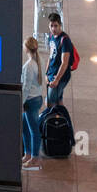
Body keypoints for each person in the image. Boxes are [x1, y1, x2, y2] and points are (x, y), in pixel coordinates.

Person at [21, 36, 44, 171]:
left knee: (34, 130)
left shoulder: (29, 65)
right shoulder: (39, 60)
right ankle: (28, 153)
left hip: (30, 101)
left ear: (27, 48)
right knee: (25, 127)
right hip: (37, 98)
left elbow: (26, 87)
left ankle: (34, 157)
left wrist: (21, 103)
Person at [44, 13, 74, 107]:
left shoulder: (64, 40)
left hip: (60, 76)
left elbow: (64, 63)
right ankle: (63, 119)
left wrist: (57, 80)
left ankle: (54, 120)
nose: (53, 28)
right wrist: (46, 73)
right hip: (52, 74)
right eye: (51, 26)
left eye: (56, 26)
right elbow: (51, 56)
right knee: (58, 100)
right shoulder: (51, 37)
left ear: (60, 25)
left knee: (49, 102)